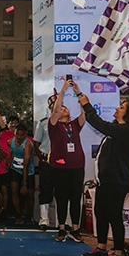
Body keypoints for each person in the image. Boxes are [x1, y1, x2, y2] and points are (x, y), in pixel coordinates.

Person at [77, 85, 129, 256]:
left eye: (122, 107)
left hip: (118, 180)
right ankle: (101, 247)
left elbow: (98, 123)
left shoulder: (126, 130)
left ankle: (119, 253)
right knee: (100, 212)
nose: (117, 108)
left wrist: (86, 105)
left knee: (114, 215)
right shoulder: (118, 130)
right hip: (106, 179)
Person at [48, 80, 84, 243]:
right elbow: (55, 111)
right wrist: (62, 90)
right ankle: (61, 228)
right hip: (59, 167)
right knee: (62, 198)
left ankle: (75, 228)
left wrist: (78, 93)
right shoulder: (53, 126)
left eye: (65, 107)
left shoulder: (75, 124)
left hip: (77, 166)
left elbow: (85, 113)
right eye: (61, 107)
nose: (63, 109)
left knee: (76, 197)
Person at [33, 96, 56, 230]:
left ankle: (64, 221)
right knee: (45, 190)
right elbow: (37, 143)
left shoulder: (66, 124)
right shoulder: (43, 123)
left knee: (62, 191)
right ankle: (44, 219)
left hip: (62, 163)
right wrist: (41, 157)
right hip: (47, 162)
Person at [8, 124, 35, 225]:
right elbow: (12, 153)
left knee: (30, 194)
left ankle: (29, 215)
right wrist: (9, 163)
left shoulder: (28, 145)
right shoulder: (11, 142)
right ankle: (19, 215)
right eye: (17, 135)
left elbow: (26, 163)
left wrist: (24, 182)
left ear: (25, 135)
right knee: (14, 191)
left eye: (21, 135)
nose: (18, 137)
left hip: (28, 170)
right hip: (15, 169)